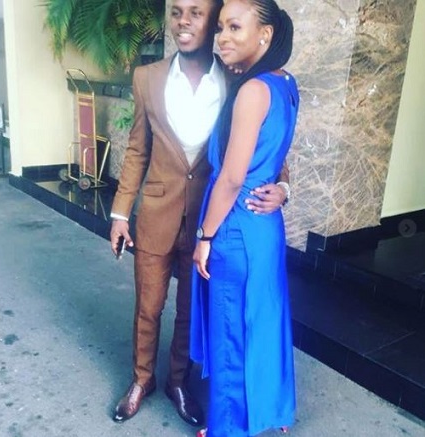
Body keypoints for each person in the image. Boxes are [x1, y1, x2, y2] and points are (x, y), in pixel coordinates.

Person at [109, 0, 291, 428]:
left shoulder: (237, 78)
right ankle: (141, 380)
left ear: (212, 22)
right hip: (156, 213)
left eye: (196, 12)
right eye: (176, 12)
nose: (183, 22)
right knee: (148, 307)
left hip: (210, 223)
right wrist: (120, 213)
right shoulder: (147, 77)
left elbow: (268, 145)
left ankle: (178, 381)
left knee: (191, 312)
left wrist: (283, 187)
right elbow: (137, 150)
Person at [190, 0, 299, 436]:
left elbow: (232, 178)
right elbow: (277, 155)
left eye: (235, 27)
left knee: (231, 331)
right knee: (264, 322)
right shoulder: (284, 83)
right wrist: (284, 188)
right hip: (265, 228)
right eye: (220, 27)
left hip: (235, 227)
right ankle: (268, 412)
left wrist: (204, 236)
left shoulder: (253, 91)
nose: (222, 37)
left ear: (265, 35)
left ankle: (228, 428)